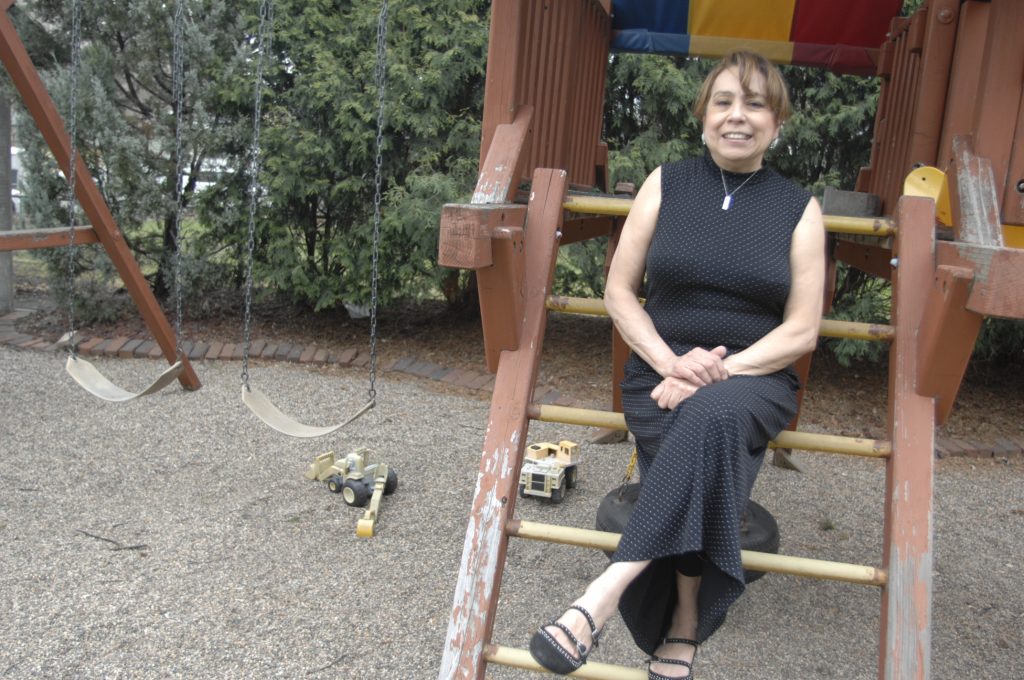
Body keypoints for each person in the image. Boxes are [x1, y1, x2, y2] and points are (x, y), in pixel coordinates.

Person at [528, 50, 825, 679]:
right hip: (657, 376)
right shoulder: (667, 182)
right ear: (703, 116)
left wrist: (720, 369)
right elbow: (618, 291)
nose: (736, 117)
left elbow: (801, 328)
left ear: (778, 122)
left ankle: (599, 598)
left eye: (755, 104)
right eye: (723, 102)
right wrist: (671, 362)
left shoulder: (800, 209)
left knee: (712, 415)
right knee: (708, 437)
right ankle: (686, 618)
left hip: (756, 379)